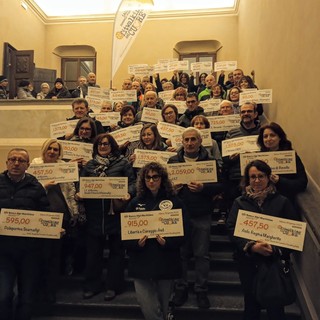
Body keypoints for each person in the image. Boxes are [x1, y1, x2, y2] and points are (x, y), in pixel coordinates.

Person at [227, 160, 299, 320]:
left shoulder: (283, 202)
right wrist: (251, 246)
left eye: (261, 176)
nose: (257, 180)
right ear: (247, 179)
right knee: (251, 306)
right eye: (252, 177)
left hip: (274, 263)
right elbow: (232, 229)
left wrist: (275, 249)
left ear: (268, 177)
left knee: (275, 308)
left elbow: (294, 232)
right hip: (248, 262)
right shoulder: (239, 202)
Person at [124, 162, 188, 320]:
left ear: (162, 179)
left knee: (164, 306)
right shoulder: (135, 202)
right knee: (149, 308)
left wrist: (168, 243)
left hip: (166, 261)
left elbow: (185, 230)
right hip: (141, 262)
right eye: (148, 177)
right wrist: (135, 244)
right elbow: (124, 233)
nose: (151, 181)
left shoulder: (175, 202)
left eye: (155, 177)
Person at [168, 127, 224, 309]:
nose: (190, 143)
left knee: (202, 255)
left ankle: (201, 290)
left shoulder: (210, 161)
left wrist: (204, 188)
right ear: (182, 142)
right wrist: (172, 190)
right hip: (179, 215)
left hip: (202, 214)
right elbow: (164, 188)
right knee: (180, 255)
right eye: (187, 140)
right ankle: (181, 288)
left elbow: (220, 186)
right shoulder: (173, 161)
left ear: (200, 142)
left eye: (193, 139)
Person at [80, 133, 136, 301]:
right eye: (100, 144)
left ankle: (113, 286)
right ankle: (92, 286)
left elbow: (133, 183)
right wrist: (80, 193)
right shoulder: (89, 166)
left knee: (116, 253)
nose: (103, 147)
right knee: (93, 254)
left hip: (115, 215)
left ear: (113, 146)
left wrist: (128, 193)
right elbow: (81, 184)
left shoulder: (123, 163)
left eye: (106, 144)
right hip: (95, 215)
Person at [0, 148, 50, 320]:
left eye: (21, 161)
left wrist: (52, 228)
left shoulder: (36, 186)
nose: (16, 163)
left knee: (27, 298)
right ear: (6, 162)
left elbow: (45, 213)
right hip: (3, 251)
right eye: (12, 159)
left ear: (27, 165)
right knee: (3, 296)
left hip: (30, 252)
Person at [31, 139, 83, 302]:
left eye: (55, 149)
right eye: (49, 149)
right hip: (40, 218)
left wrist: (74, 213)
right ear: (44, 150)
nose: (52, 152)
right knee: (42, 256)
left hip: (62, 218)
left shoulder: (63, 167)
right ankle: (40, 291)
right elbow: (30, 193)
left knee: (55, 255)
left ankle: (51, 290)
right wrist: (44, 186)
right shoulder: (34, 167)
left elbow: (70, 191)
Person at [257, 122, 308, 204]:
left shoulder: (291, 157)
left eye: (272, 135)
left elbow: (302, 183)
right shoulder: (258, 158)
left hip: (284, 201)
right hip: (262, 201)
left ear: (280, 137)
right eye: (265, 136)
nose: (268, 139)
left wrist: (280, 180)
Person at [223, 102, 261, 208]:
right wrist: (232, 158)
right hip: (236, 178)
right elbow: (225, 159)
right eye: (243, 112)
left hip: (259, 179)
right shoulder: (231, 133)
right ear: (240, 115)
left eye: (249, 111)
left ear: (255, 114)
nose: (246, 113)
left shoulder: (263, 133)